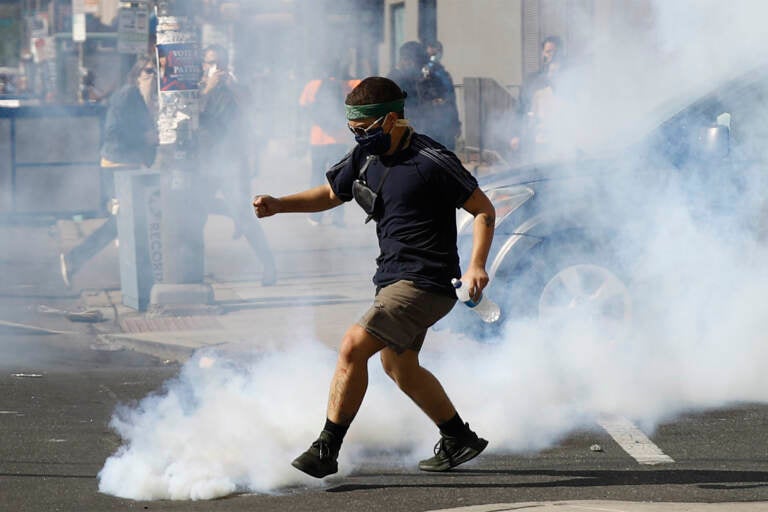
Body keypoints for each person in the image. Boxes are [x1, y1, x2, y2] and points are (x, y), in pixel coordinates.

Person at [253, 76, 496, 478]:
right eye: (352, 130)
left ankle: (326, 447)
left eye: (364, 129)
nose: (358, 137)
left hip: (427, 282)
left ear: (390, 120)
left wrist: (477, 265)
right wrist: (280, 205)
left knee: (352, 345)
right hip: (392, 278)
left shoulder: (432, 159)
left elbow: (484, 209)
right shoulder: (364, 157)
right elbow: (332, 194)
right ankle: (458, 437)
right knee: (399, 366)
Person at [60, 54, 158, 287]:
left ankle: (145, 276)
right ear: (136, 74)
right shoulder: (128, 95)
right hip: (118, 165)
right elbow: (114, 132)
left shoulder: (144, 99)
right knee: (125, 221)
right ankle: (76, 258)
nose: (152, 76)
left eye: (155, 72)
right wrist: (144, 137)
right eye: (147, 71)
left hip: (130, 164)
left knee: (131, 220)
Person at [199, 44, 277, 286]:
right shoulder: (200, 88)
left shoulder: (236, 88)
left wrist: (231, 87)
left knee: (245, 215)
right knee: (196, 214)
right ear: (203, 65)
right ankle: (195, 268)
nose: (215, 67)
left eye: (219, 63)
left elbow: (250, 113)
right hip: (206, 160)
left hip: (233, 160)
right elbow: (193, 113)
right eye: (210, 62)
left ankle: (269, 266)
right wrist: (209, 88)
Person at [298, 62, 360, 226]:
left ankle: (315, 216)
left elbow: (303, 107)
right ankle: (338, 216)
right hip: (339, 140)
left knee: (316, 177)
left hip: (317, 139)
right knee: (338, 179)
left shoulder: (313, 85)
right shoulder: (353, 85)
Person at [510, 35, 562, 155]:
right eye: (548, 51)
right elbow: (520, 109)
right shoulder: (532, 81)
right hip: (535, 139)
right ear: (543, 53)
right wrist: (516, 134)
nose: (552, 55)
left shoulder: (571, 80)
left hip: (560, 141)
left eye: (555, 51)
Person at [419, 40, 461, 150]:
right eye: (432, 52)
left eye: (438, 51)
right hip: (433, 121)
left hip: (447, 119)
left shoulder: (443, 72)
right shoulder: (424, 72)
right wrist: (433, 102)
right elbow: (421, 96)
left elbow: (452, 98)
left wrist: (456, 122)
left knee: (449, 152)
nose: (435, 54)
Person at [387, 41, 430, 131]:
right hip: (399, 134)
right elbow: (391, 119)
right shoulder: (395, 80)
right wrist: (411, 123)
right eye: (419, 64)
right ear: (407, 61)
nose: (420, 68)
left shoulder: (411, 78)